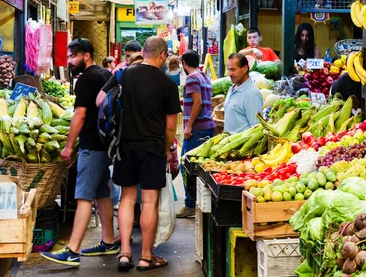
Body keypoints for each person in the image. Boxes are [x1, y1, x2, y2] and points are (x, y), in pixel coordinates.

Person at [100, 36, 180, 272]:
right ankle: (146, 256)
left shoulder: (123, 75)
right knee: (149, 202)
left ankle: (125, 253)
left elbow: (100, 101)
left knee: (126, 198)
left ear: (143, 52)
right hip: (153, 147)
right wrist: (167, 148)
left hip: (125, 146)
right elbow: (171, 126)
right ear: (163, 55)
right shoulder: (167, 84)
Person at [42, 39, 117, 267]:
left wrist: (68, 145)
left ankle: (72, 250)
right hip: (107, 144)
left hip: (92, 145)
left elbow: (80, 114)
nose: (70, 61)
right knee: (101, 193)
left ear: (86, 55)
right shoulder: (105, 74)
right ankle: (109, 241)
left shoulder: (86, 79)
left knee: (83, 195)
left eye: (73, 56)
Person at [177, 50, 215, 218]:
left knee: (186, 165)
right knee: (201, 165)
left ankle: (190, 203)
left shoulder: (191, 78)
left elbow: (197, 102)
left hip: (197, 128)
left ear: (184, 63)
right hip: (207, 126)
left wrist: (189, 126)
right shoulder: (204, 77)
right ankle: (200, 201)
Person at [224, 53, 263, 133]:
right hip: (229, 143)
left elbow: (256, 129)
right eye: (228, 69)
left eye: (233, 70)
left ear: (245, 68)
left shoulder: (252, 94)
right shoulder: (231, 89)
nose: (230, 74)